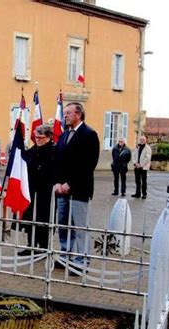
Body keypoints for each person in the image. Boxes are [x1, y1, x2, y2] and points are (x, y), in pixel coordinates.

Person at [54, 102, 100, 271]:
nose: (65, 116)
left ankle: (82, 260)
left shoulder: (89, 134)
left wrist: (70, 184)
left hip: (79, 190)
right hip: (62, 191)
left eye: (68, 113)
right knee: (64, 224)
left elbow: (88, 165)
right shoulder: (65, 135)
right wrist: (58, 182)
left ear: (78, 115)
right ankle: (65, 255)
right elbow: (58, 161)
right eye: (64, 113)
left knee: (80, 226)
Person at [19, 125, 55, 255]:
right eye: (36, 137)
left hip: (46, 191)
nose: (38, 140)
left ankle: (44, 246)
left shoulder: (53, 151)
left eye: (41, 137)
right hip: (31, 189)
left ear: (49, 137)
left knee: (44, 219)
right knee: (30, 218)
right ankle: (31, 245)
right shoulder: (32, 151)